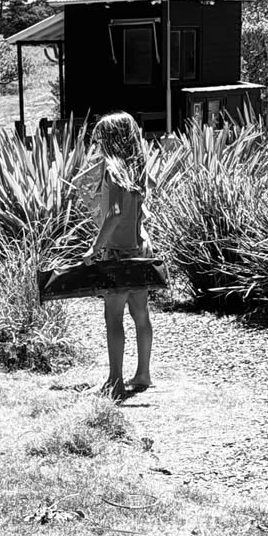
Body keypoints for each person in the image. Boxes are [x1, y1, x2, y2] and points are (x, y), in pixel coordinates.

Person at [76, 112, 154, 399]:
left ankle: (115, 380)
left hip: (117, 254)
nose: (97, 144)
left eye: (100, 139)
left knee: (113, 317)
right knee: (141, 313)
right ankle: (143, 374)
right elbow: (147, 193)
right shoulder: (137, 167)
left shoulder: (112, 169)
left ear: (110, 139)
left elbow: (115, 213)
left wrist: (95, 248)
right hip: (140, 249)